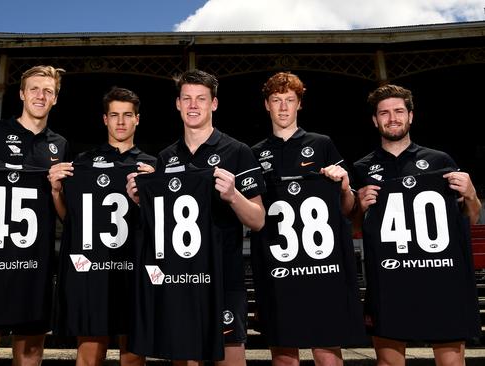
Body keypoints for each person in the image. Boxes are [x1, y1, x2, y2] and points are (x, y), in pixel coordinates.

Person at [126, 69, 265, 365]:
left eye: (201, 99)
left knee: (230, 357)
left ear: (214, 104)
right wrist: (140, 199)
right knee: (183, 359)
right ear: (177, 103)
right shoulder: (165, 158)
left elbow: (258, 220)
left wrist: (233, 195)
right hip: (180, 278)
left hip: (224, 277)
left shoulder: (237, 151)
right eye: (187, 98)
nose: (193, 105)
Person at [353, 84, 481, 366]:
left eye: (399, 111)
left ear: (411, 116)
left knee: (451, 363)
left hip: (441, 280)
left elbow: (469, 217)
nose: (392, 118)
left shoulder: (440, 160)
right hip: (390, 281)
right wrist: (358, 207)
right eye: (384, 113)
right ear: (375, 120)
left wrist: (471, 194)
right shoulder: (362, 168)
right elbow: (353, 228)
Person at [0, 65, 69, 366]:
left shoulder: (59, 145)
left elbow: (63, 214)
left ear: (55, 98)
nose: (40, 96)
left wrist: (58, 190)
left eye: (48, 91)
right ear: (21, 93)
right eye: (34, 89)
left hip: (35, 265)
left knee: (30, 354)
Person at [249, 72, 364, 366]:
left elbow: (348, 209)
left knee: (327, 353)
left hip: (321, 269)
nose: (283, 107)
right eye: (277, 100)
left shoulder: (322, 144)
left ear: (300, 104)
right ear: (267, 105)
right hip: (278, 270)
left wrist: (345, 184)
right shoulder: (254, 153)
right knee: (284, 355)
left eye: (290, 100)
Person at [51, 87, 155, 366]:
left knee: (133, 357)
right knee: (88, 355)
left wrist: (155, 190)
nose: (121, 122)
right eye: (114, 115)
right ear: (105, 120)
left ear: (137, 119)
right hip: (92, 275)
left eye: (127, 115)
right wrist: (55, 191)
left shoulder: (151, 166)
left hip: (133, 274)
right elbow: (68, 218)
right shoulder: (82, 163)